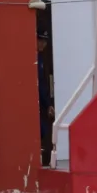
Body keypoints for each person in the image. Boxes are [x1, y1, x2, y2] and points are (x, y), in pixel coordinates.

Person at [37, 30, 54, 166]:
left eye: (45, 41)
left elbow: (42, 83)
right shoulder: (34, 57)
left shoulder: (40, 58)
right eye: (40, 40)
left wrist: (48, 104)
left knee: (42, 130)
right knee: (40, 130)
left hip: (40, 101)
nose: (43, 44)